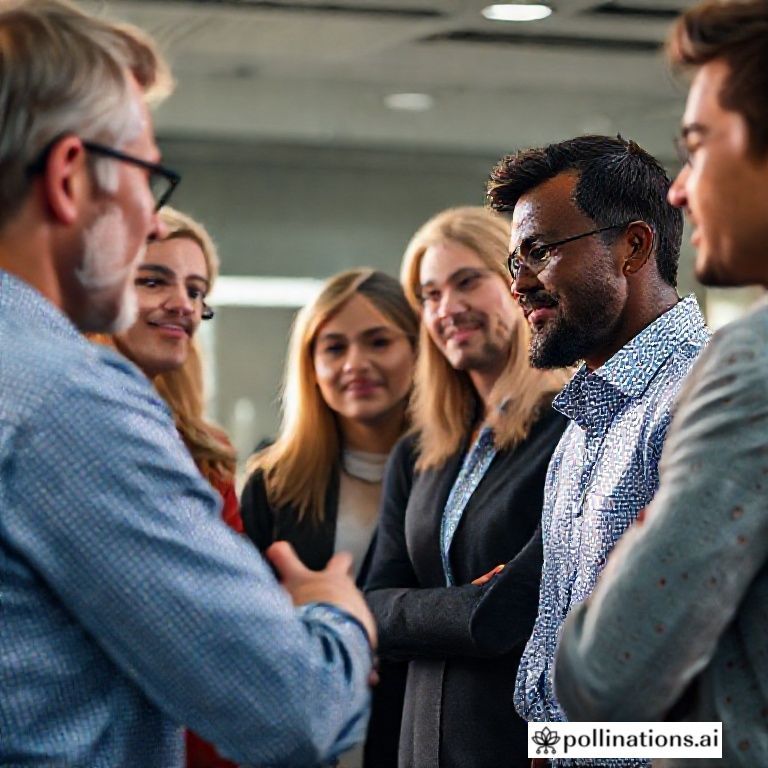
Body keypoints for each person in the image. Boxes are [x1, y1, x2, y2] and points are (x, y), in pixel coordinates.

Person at [0, 2, 374, 766]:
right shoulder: (69, 403)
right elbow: (292, 709)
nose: (151, 221)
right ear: (68, 178)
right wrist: (336, 616)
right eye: (147, 178)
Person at [553, 4, 768, 767]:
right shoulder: (576, 423)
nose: (679, 189)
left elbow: (602, 677)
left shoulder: (746, 370)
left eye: (698, 146)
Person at [486, 136, 710, 765]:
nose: (519, 283)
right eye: (514, 260)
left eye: (540, 252)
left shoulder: (703, 398)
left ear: (633, 247)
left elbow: (717, 694)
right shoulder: (580, 429)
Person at [364, 206, 569, 768]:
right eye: (429, 295)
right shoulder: (417, 453)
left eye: (466, 282)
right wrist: (463, 606)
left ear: (517, 282)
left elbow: (509, 610)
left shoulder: (573, 428)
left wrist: (416, 613)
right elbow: (371, 603)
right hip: (420, 746)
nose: (447, 308)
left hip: (526, 747)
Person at [240, 267, 418, 768]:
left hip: (414, 733)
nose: (355, 364)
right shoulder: (272, 484)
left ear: (418, 351)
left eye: (379, 342)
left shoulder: (454, 475)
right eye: (334, 348)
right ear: (311, 366)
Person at [93, 205, 242, 767]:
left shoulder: (207, 450)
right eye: (153, 280)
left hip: (211, 734)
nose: (183, 303)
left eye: (196, 290)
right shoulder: (62, 430)